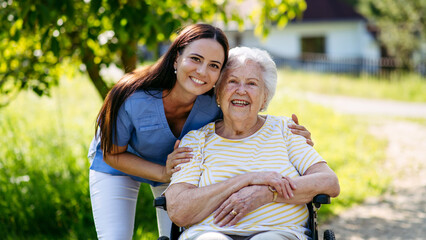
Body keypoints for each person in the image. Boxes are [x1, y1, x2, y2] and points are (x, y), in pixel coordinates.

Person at [88, 24, 314, 239]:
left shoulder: (212, 104)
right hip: (119, 164)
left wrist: (291, 134)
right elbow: (112, 154)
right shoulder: (131, 95)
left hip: (176, 168)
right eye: (195, 59)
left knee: (173, 234)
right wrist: (161, 173)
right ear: (176, 57)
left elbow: (247, 110)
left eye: (214, 65)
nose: (202, 71)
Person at [164, 47, 340, 240]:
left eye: (252, 84)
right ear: (218, 93)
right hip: (208, 233)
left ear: (265, 97)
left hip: (280, 233)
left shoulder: (285, 130)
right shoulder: (196, 140)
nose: (241, 91)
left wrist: (266, 193)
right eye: (232, 81)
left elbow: (329, 182)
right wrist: (246, 179)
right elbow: (179, 210)